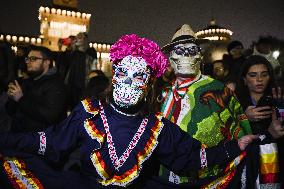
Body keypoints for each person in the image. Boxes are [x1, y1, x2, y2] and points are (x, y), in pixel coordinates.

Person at [0, 34, 259, 189]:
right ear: (113, 77)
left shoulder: (157, 128)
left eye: (138, 77)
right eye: (122, 73)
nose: (127, 83)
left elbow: (191, 158)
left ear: (148, 87)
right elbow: (49, 142)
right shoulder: (88, 113)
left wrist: (235, 146)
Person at [158, 24, 253, 183]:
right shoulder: (163, 94)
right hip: (167, 178)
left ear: (200, 56)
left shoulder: (218, 90)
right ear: (171, 58)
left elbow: (241, 131)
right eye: (180, 51)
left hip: (211, 178)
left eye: (192, 50)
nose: (186, 56)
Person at [235, 55, 284, 185]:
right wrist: (245, 118)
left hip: (275, 160)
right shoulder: (235, 103)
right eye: (253, 75)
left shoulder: (278, 98)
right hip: (247, 164)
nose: (259, 79)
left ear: (270, 77)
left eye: (264, 74)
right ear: (244, 79)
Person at [5, 45, 67, 132]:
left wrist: (20, 99)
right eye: (28, 58)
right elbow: (11, 111)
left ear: (46, 62)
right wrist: (12, 98)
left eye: (33, 59)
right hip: (19, 137)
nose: (28, 62)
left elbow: (49, 116)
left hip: (39, 140)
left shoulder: (56, 85)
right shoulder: (27, 81)